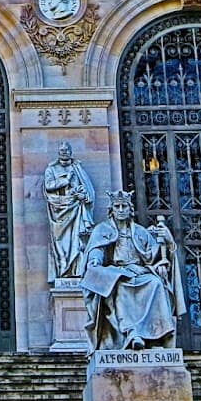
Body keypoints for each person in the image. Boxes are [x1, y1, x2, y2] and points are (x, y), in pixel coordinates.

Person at [80, 191, 185, 351]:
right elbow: (96, 252)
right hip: (118, 274)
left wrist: (168, 246)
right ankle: (132, 332)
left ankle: (155, 337)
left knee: (156, 283)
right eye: (117, 206)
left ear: (130, 209)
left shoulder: (141, 232)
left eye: (124, 206)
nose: (121, 209)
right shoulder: (102, 230)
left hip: (141, 274)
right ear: (112, 210)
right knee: (119, 287)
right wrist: (95, 260)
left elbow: (155, 256)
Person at [43, 143, 96, 282]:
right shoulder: (52, 169)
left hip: (76, 207)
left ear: (71, 151)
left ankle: (77, 270)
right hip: (59, 209)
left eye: (67, 150)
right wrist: (65, 180)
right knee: (61, 243)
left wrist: (83, 196)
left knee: (78, 240)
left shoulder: (77, 168)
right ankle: (64, 269)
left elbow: (88, 189)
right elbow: (49, 186)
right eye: (62, 150)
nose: (64, 152)